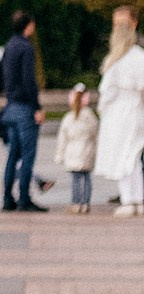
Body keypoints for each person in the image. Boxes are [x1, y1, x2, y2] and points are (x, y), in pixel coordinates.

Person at [96, 6, 144, 215]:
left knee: (125, 158)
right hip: (133, 110)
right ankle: (135, 199)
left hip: (123, 114)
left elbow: (107, 91)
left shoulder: (119, 59)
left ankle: (130, 199)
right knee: (131, 157)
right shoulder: (136, 56)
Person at [0, 12, 44, 212]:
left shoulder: (9, 46)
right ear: (28, 25)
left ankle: (8, 198)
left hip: (10, 107)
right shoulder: (26, 47)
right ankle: (24, 198)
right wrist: (37, 107)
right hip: (25, 109)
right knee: (27, 155)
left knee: (13, 156)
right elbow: (28, 81)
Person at [56, 85, 98, 214]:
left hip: (72, 152)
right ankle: (85, 203)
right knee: (86, 178)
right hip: (87, 150)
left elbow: (63, 138)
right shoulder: (90, 117)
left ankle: (75, 202)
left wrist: (60, 155)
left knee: (76, 179)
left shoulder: (69, 117)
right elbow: (95, 134)